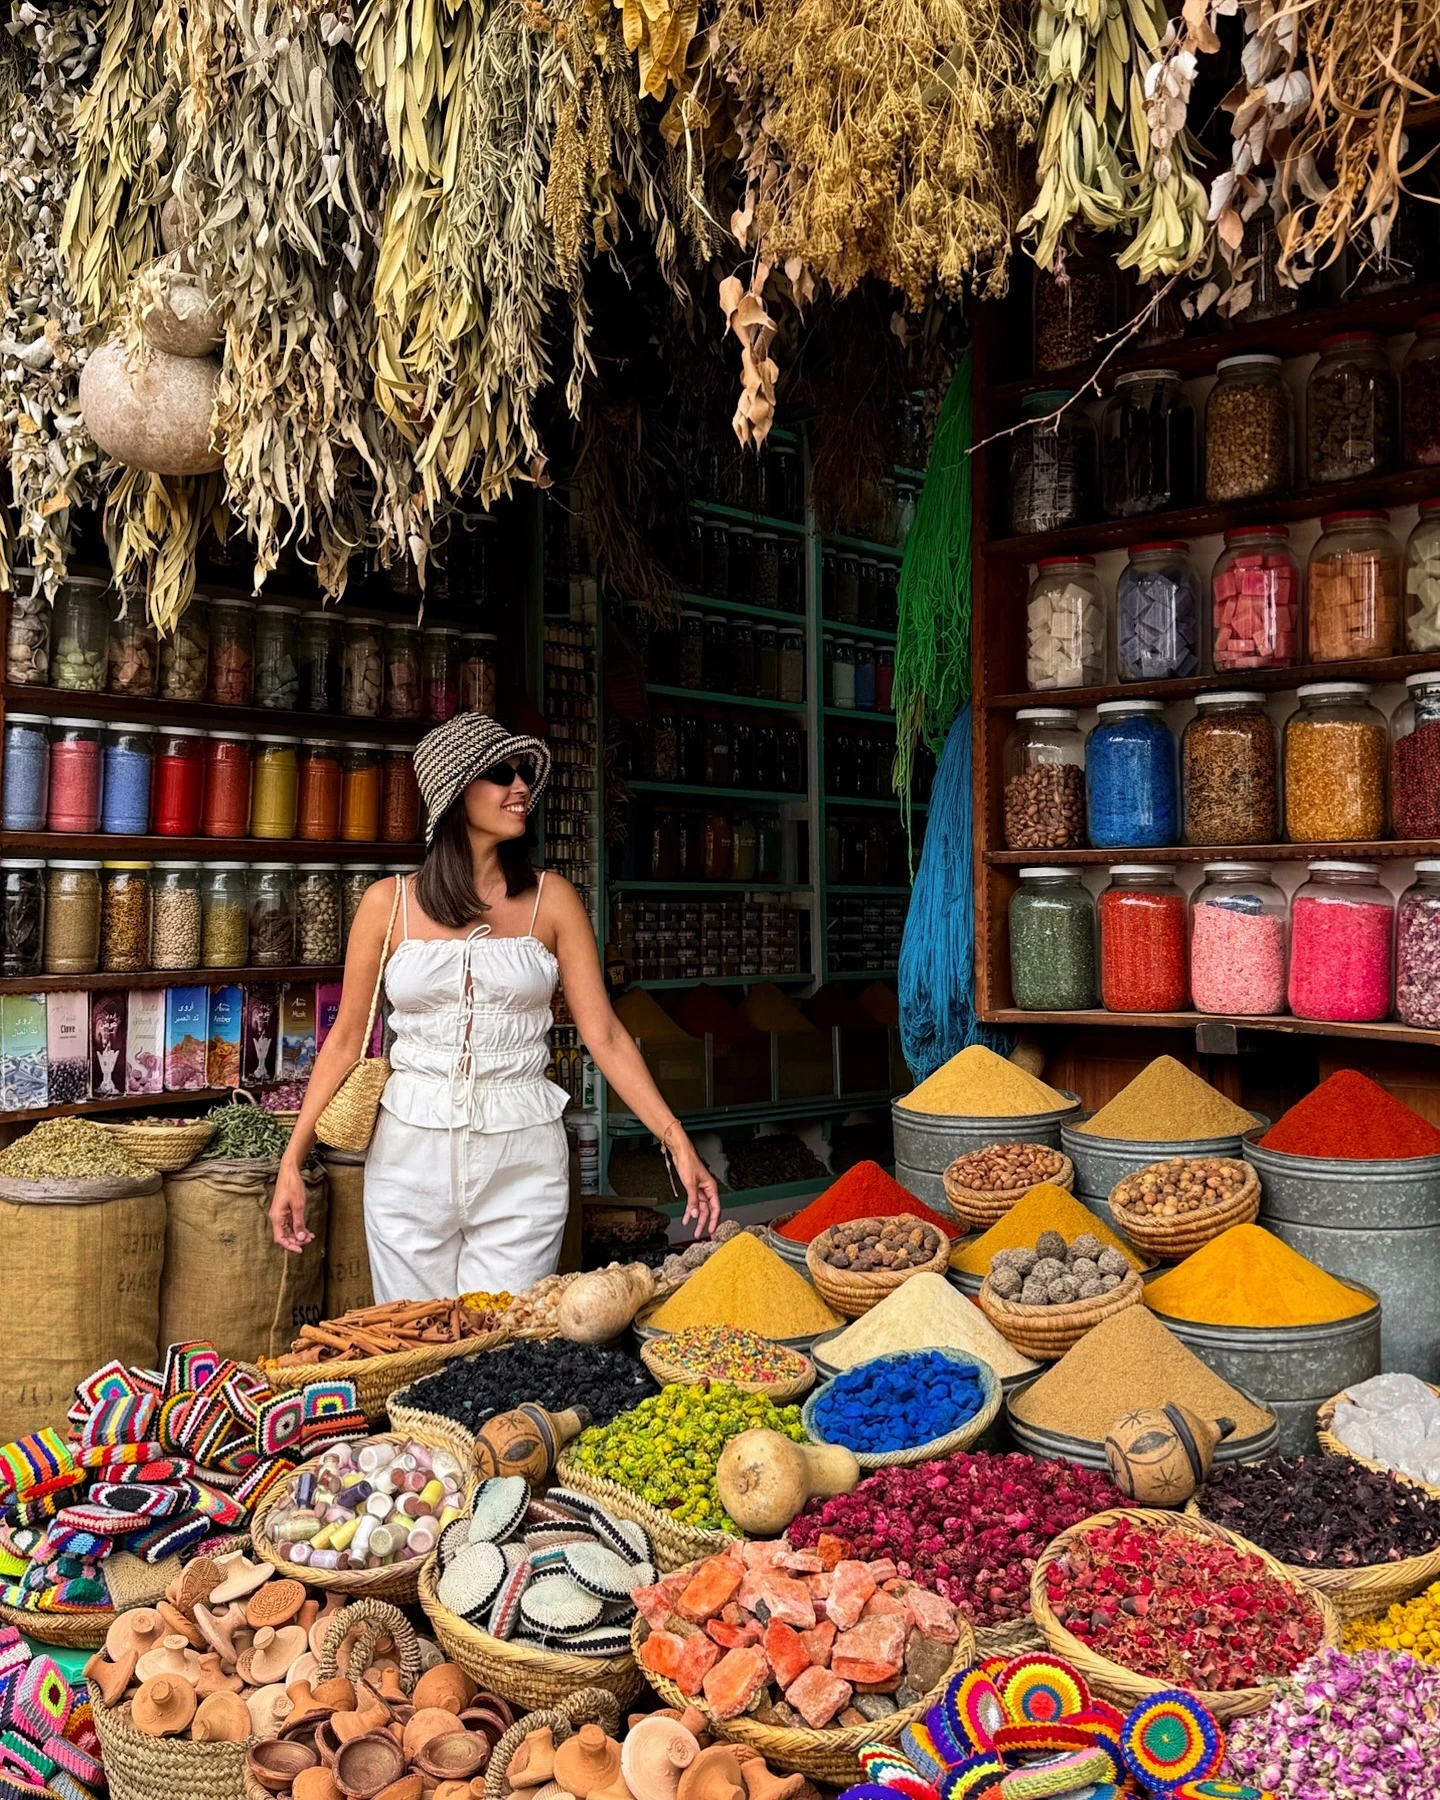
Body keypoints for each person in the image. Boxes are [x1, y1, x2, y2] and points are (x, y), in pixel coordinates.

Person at [270, 713, 721, 1299]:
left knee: (506, 1346)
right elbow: (347, 1039)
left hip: (523, 1156)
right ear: (455, 795)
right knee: (418, 1346)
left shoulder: (552, 899)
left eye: (524, 774)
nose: (521, 787)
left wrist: (675, 1138)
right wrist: (293, 1160)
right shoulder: (388, 904)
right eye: (500, 774)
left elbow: (604, 1034)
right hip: (409, 1158)